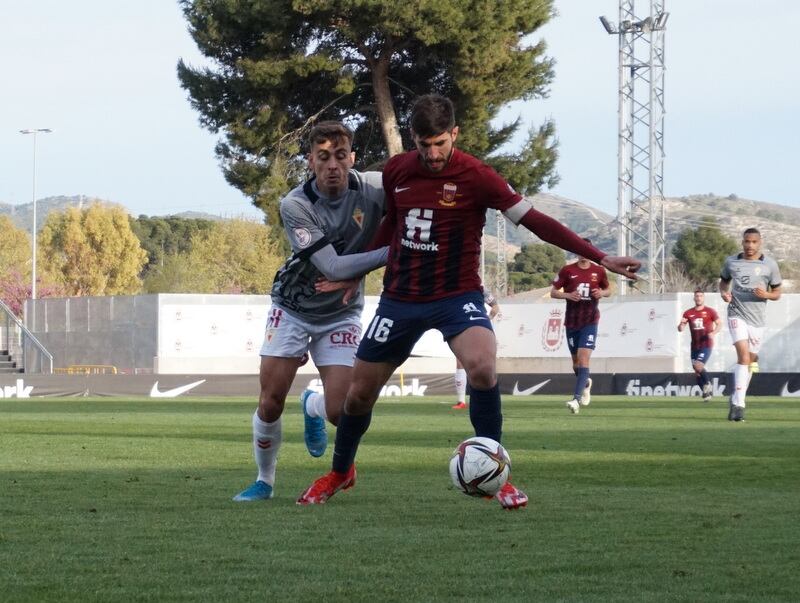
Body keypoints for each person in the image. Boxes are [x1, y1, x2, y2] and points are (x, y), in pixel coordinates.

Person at [296, 94, 640, 509]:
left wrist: (600, 256)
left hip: (457, 294)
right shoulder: (398, 170)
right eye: (424, 144)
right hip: (401, 297)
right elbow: (393, 223)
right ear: (413, 139)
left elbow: (536, 221)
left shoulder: (478, 176)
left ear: (454, 134)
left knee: (481, 365)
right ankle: (340, 471)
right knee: (357, 396)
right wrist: (356, 271)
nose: (433, 153)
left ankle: (498, 473)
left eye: (440, 143)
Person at [232, 121, 388, 501]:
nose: (332, 164)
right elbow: (332, 268)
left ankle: (313, 406)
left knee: (341, 412)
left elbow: (406, 216)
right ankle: (264, 481)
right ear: (310, 162)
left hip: (342, 312)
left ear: (351, 158)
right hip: (293, 307)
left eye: (339, 156)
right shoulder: (295, 204)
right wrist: (392, 255)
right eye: (323, 157)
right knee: (270, 401)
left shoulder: (375, 189)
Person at [719, 228, 782, 422]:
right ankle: (739, 406)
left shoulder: (769, 265)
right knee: (744, 357)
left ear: (760, 243)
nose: (749, 245)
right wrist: (724, 293)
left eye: (754, 242)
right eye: (747, 241)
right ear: (742, 242)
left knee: (751, 359)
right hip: (736, 313)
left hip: (757, 319)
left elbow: (777, 293)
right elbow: (724, 282)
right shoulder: (731, 262)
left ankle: (737, 396)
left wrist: (767, 295)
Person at [550, 242, 610, 414]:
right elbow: (554, 292)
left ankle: (575, 399)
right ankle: (586, 383)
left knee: (584, 360)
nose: (583, 254)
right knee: (576, 364)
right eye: (579, 250)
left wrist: (601, 293)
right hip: (572, 322)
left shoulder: (599, 271)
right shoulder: (567, 270)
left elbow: (608, 290)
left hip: (590, 321)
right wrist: (568, 295)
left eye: (586, 250)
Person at [452, 291, 500, 409]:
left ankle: (477, 400)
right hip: (464, 326)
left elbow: (495, 306)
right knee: (461, 361)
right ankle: (461, 401)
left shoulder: (480, 289)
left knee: (481, 364)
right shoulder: (457, 288)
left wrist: (488, 317)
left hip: (476, 326)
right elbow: (495, 306)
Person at [677, 289, 722, 402]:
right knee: (697, 372)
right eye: (697, 296)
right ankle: (707, 393)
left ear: (704, 298)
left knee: (698, 366)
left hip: (706, 344)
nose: (698, 298)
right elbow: (681, 326)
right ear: (694, 298)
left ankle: (708, 384)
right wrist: (681, 327)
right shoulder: (688, 313)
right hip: (694, 346)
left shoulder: (710, 311)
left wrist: (714, 332)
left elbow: (720, 324)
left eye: (701, 296)